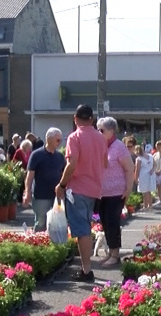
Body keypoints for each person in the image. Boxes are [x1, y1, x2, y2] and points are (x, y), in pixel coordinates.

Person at [56, 104, 107, 283]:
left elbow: (72, 164)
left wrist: (61, 184)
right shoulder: (100, 138)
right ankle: (86, 268)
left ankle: (86, 270)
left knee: (82, 230)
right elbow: (105, 163)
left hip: (77, 188)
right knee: (85, 226)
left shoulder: (74, 137)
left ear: (75, 118)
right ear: (92, 119)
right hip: (94, 188)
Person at [96, 117, 134, 267]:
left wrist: (128, 189)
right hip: (102, 192)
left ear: (111, 131)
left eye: (102, 130)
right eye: (97, 129)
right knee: (105, 222)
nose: (99, 132)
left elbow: (129, 168)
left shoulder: (118, 147)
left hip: (116, 191)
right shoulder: (100, 146)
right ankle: (111, 252)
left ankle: (116, 254)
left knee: (112, 222)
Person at [23, 127, 65, 232]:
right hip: (41, 195)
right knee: (41, 223)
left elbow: (64, 174)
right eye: (58, 140)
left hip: (57, 196)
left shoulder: (60, 156)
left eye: (61, 140)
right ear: (49, 139)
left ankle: (55, 247)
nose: (60, 143)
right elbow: (30, 175)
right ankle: (38, 246)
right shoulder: (36, 154)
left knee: (57, 224)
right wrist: (27, 192)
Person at [134, 144, 155, 209]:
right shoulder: (150, 156)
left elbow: (137, 170)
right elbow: (155, 165)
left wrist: (136, 178)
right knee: (149, 191)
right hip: (151, 175)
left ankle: (145, 206)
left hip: (143, 176)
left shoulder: (139, 159)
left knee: (144, 192)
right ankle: (150, 206)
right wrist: (152, 170)